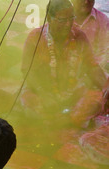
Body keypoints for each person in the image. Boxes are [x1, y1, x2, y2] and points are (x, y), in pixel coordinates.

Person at [20, 0, 107, 129]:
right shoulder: (35, 37)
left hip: (73, 93)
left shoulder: (79, 36)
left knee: (97, 100)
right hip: (41, 92)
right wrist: (44, 95)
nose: (68, 24)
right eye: (62, 20)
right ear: (49, 18)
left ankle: (63, 120)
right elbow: (27, 71)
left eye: (71, 18)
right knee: (31, 105)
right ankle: (68, 121)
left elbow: (92, 67)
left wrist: (106, 86)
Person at [71, 0, 108, 73]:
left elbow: (105, 53)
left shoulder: (103, 20)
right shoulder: (62, 18)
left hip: (94, 73)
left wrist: (90, 71)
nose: (86, 2)